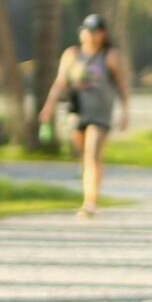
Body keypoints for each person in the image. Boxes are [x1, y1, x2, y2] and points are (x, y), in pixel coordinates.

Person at [38, 14, 129, 218]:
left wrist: (125, 113)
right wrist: (48, 107)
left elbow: (122, 86)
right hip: (77, 112)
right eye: (87, 32)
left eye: (96, 32)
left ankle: (90, 202)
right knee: (84, 156)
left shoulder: (110, 56)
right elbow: (60, 82)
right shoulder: (71, 54)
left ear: (103, 34)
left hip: (101, 113)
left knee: (91, 154)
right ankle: (91, 192)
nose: (91, 36)